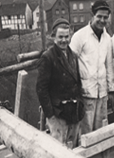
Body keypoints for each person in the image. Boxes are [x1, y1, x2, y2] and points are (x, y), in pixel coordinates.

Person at [70, 0, 114, 134]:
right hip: (85, 93)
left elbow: (109, 65)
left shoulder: (107, 39)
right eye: (99, 16)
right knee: (86, 131)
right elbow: (71, 63)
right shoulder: (80, 36)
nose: (102, 20)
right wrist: (75, 90)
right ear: (92, 16)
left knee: (101, 130)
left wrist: (111, 89)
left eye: (105, 17)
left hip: (102, 93)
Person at [35, 18, 83, 147]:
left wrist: (80, 104)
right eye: (60, 37)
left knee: (73, 147)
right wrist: (50, 116)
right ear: (53, 37)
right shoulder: (48, 57)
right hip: (58, 114)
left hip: (73, 112)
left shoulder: (73, 56)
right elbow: (41, 89)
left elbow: (78, 83)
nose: (64, 40)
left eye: (66, 37)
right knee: (59, 149)